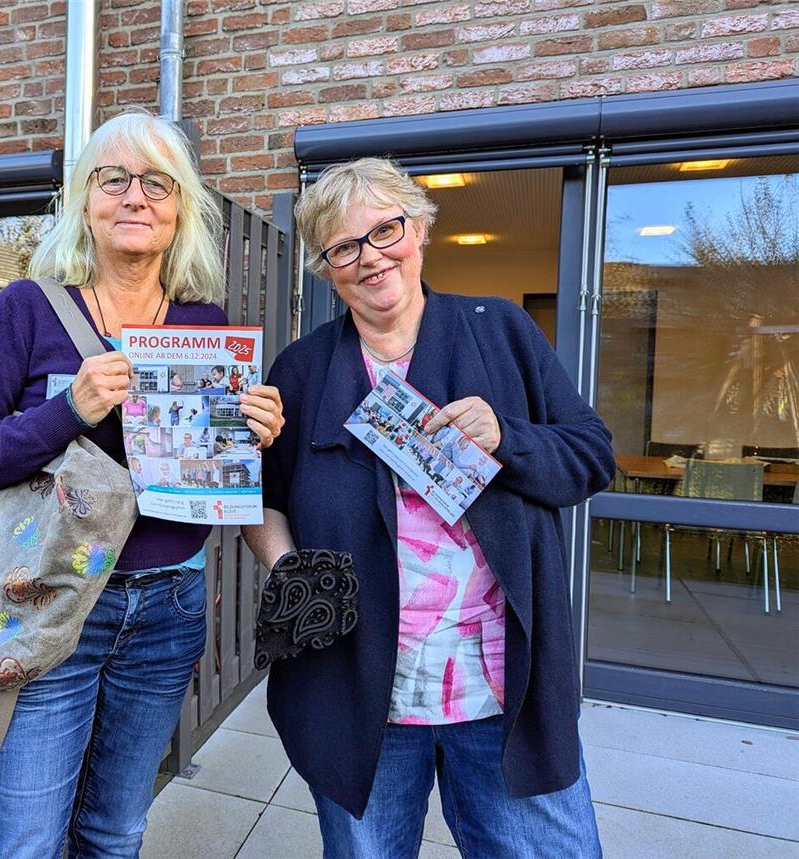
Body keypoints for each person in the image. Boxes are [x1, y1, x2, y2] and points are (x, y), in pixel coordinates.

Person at [0, 109, 284, 859]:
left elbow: (201, 481)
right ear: (83, 201)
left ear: (180, 207)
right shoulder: (27, 308)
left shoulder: (204, 322)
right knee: (24, 842)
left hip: (168, 607)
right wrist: (69, 409)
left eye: (157, 182)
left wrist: (249, 435)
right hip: (47, 601)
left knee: (115, 830)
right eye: (113, 178)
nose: (135, 196)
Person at [242, 157, 614, 858]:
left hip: (499, 690)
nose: (371, 257)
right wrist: (288, 566)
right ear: (326, 266)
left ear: (420, 230)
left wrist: (510, 437)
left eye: (387, 229)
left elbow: (591, 455)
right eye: (344, 246)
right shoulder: (302, 369)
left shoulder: (501, 333)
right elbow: (257, 497)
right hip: (360, 690)